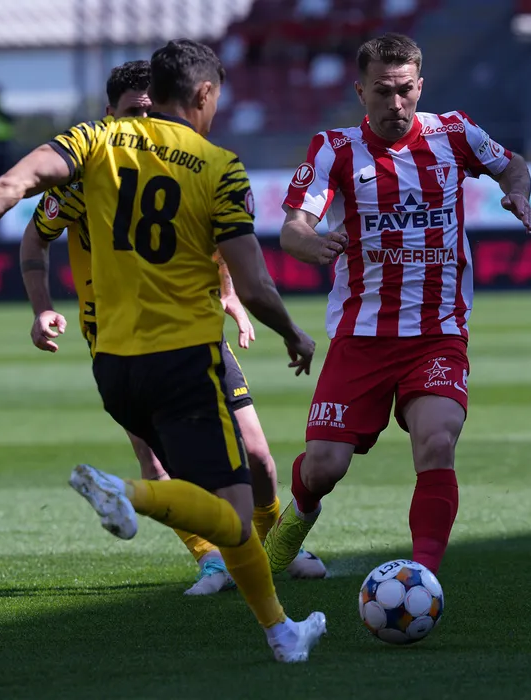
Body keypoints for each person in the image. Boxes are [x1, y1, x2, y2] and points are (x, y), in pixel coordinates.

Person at [0, 39, 327, 664]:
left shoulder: (93, 143)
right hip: (186, 358)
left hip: (115, 366)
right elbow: (257, 283)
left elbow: (13, 184)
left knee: (219, 490)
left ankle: (283, 634)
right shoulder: (219, 167)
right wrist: (291, 331)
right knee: (230, 517)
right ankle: (130, 495)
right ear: (204, 94)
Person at [20, 60, 326, 595]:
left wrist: (229, 293)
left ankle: (274, 543)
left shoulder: (188, 163)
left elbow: (218, 237)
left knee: (256, 454)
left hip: (192, 330)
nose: (143, 120)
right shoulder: (88, 175)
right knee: (155, 460)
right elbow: (35, 236)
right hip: (116, 337)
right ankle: (210, 559)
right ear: (109, 113)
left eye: (150, 109)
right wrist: (41, 307)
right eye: (132, 111)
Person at [263, 33, 531, 577]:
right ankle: (298, 515)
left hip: (437, 333)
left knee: (437, 441)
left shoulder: (455, 133)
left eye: (405, 89)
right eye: (383, 91)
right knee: (323, 467)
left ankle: (423, 576)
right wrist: (312, 244)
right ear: (360, 91)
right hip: (362, 337)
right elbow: (293, 227)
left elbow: (512, 164)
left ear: (420, 86)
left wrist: (519, 192)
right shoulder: (334, 149)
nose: (395, 103)